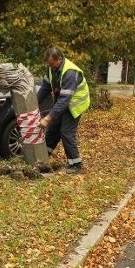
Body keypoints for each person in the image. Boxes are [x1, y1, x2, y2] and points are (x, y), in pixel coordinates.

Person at [37, 46, 90, 174]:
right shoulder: (51, 69)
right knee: (53, 129)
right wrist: (34, 106)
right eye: (49, 64)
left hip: (75, 104)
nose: (50, 67)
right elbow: (45, 89)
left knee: (66, 131)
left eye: (52, 64)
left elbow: (65, 100)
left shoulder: (70, 72)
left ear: (59, 59)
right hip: (64, 102)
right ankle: (43, 158)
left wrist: (47, 118)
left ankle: (76, 164)